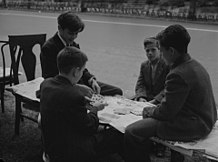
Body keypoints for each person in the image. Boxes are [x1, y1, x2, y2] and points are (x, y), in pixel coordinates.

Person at [124, 24, 217, 162]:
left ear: (171, 51)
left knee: (132, 131)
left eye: (161, 50)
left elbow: (166, 113)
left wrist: (146, 111)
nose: (161, 54)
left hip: (194, 126)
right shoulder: (196, 65)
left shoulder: (177, 74)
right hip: (206, 119)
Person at [39, 46, 123, 162]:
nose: (82, 73)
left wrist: (83, 101)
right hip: (71, 151)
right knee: (117, 134)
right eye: (82, 70)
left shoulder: (46, 84)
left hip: (51, 145)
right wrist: (95, 108)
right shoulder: (74, 95)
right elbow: (89, 127)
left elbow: (60, 100)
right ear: (75, 71)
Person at [40, 11, 122, 96]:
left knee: (117, 91)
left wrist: (91, 80)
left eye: (76, 33)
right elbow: (49, 77)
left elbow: (81, 67)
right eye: (71, 33)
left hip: (80, 82)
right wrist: (77, 87)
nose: (74, 37)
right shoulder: (49, 48)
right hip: (62, 88)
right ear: (60, 28)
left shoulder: (74, 45)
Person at [135, 37, 169, 105]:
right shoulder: (144, 65)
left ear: (160, 50)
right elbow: (140, 84)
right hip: (147, 99)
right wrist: (141, 97)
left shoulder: (167, 65)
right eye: (147, 50)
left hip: (162, 101)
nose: (150, 53)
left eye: (153, 50)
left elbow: (169, 88)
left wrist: (155, 100)